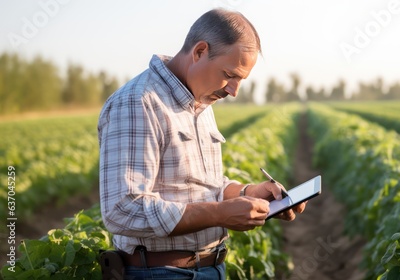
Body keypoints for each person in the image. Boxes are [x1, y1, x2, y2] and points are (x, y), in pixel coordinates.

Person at [97, 8, 306, 279]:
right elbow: (122, 210)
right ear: (199, 52)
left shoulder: (201, 102)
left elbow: (204, 188)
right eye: (230, 74)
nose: (234, 90)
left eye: (241, 80)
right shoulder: (138, 102)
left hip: (210, 267)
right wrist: (219, 214)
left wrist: (249, 193)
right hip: (160, 273)